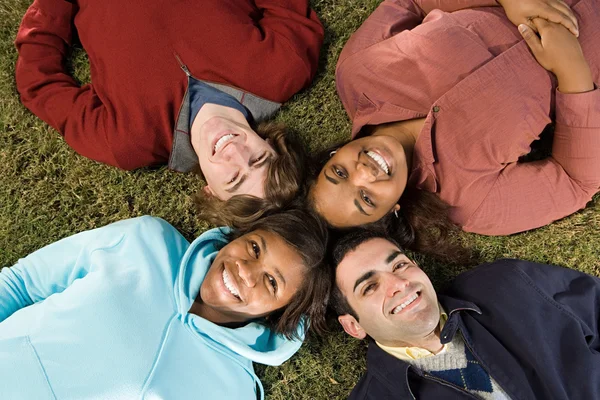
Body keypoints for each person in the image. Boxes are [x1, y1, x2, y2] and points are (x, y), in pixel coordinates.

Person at [309, 0, 600, 251]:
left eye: (339, 172)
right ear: (391, 213)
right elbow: (576, 182)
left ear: (332, 155)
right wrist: (572, 70)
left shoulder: (359, 72)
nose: (363, 173)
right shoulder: (471, 203)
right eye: (366, 199)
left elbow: (411, 2)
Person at [14, 0, 324, 223]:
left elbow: (39, 83)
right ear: (272, 146)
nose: (236, 153)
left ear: (211, 193)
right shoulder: (284, 67)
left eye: (234, 179)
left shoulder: (127, 141)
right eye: (258, 158)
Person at [0, 209, 330, 399]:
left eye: (271, 282)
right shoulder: (146, 239)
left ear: (279, 313)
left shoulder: (234, 390)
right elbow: (22, 283)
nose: (246, 271)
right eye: (255, 248)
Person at [329, 230, 600, 399]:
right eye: (370, 287)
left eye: (399, 265)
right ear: (353, 326)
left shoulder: (507, 284)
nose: (399, 284)